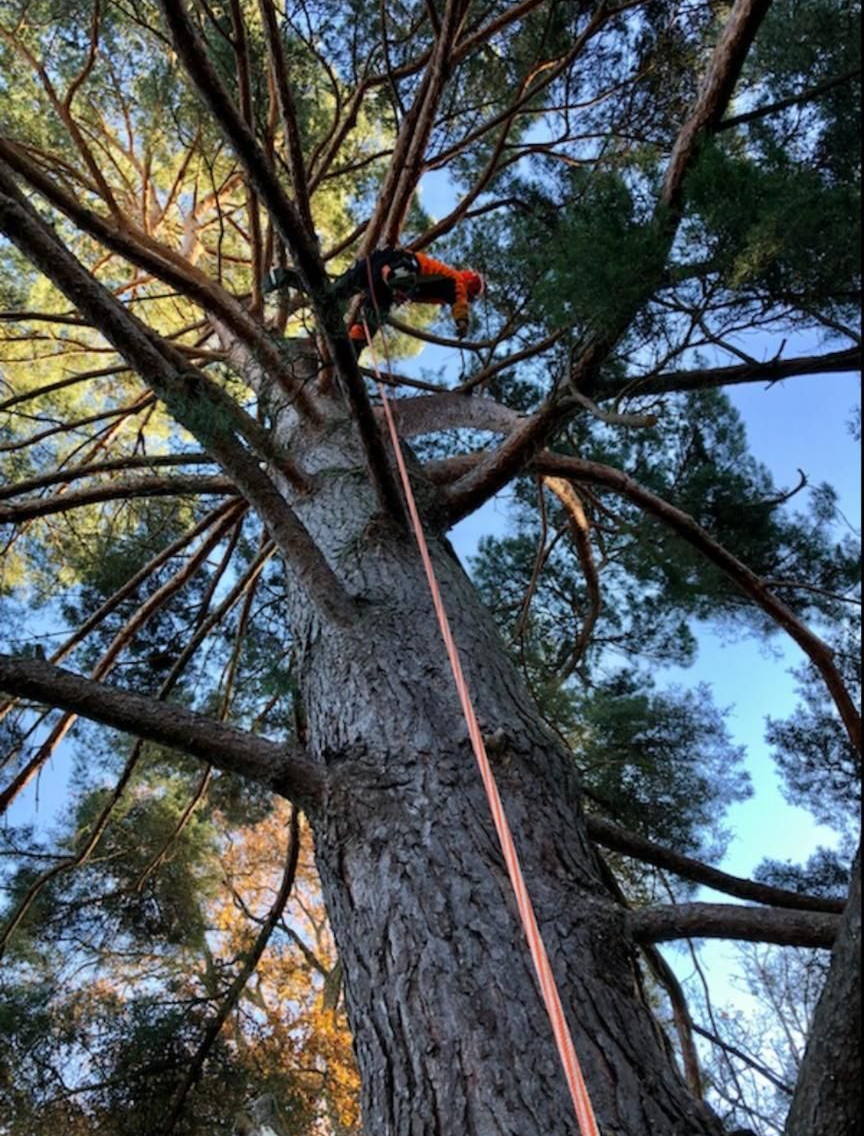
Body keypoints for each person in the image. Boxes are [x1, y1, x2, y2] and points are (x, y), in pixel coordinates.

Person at [263, 247, 484, 356]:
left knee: (334, 295)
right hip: (396, 266)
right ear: (469, 286)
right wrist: (462, 321)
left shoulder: (444, 281)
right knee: (397, 284)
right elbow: (459, 302)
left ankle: (285, 277)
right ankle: (392, 279)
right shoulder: (456, 282)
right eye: (471, 296)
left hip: (377, 271)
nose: (468, 299)